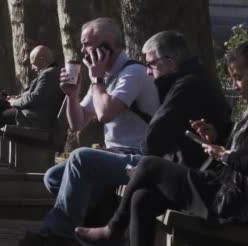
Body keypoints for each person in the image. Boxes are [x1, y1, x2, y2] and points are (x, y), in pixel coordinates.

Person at [19, 30, 231, 246]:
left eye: (87, 44)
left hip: (144, 156)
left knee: (80, 159)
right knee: (53, 177)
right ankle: (87, 231)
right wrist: (71, 95)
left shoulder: (134, 74)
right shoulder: (105, 78)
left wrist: (97, 79)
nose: (82, 51)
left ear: (106, 48)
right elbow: (77, 124)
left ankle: (56, 236)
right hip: (136, 155)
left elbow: (106, 115)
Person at [75, 41, 248, 246]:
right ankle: (112, 231)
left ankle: (112, 229)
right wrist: (215, 137)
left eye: (239, 77)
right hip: (222, 187)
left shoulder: (187, 83)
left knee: (149, 165)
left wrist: (224, 155)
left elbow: (152, 141)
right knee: (142, 197)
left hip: (234, 200)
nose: (236, 86)